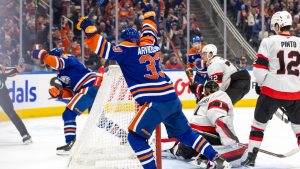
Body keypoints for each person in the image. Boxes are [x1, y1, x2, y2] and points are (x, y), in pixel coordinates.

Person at [74, 2, 230, 169]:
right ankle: (217, 158)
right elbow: (150, 28)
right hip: (171, 99)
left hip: (154, 103)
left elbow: (103, 49)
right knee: (186, 134)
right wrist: (149, 12)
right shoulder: (151, 45)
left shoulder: (125, 51)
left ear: (125, 41)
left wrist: (89, 29)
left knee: (135, 138)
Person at [31, 48, 126, 155]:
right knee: (100, 120)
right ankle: (124, 136)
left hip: (88, 86)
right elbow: (71, 91)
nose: (50, 66)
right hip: (91, 88)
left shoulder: (67, 58)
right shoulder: (61, 74)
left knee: (68, 114)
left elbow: (56, 62)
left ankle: (70, 143)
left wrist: (42, 54)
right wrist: (59, 93)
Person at [241, 11, 300, 167]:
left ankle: (252, 158)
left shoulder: (269, 41)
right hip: (295, 93)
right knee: (299, 128)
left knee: (258, 125)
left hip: (271, 91)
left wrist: (262, 85)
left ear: (277, 25)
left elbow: (259, 69)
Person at [167, 81, 246, 168]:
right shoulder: (220, 95)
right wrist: (232, 142)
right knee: (231, 147)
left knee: (184, 147)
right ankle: (207, 156)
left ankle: (178, 150)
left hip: (190, 137)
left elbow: (199, 90)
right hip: (204, 138)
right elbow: (218, 118)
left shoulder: (202, 100)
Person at [0, 64, 32, 144]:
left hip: (2, 94)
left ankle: (25, 134)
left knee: (11, 113)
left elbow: (7, 70)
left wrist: (17, 69)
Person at [187, 36, 208, 102]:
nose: (196, 45)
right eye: (194, 44)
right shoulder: (191, 52)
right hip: (199, 74)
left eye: (197, 43)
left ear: (200, 43)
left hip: (209, 73)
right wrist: (190, 72)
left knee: (213, 89)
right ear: (192, 45)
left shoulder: (206, 49)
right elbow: (190, 64)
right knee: (195, 88)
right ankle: (199, 101)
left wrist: (202, 60)